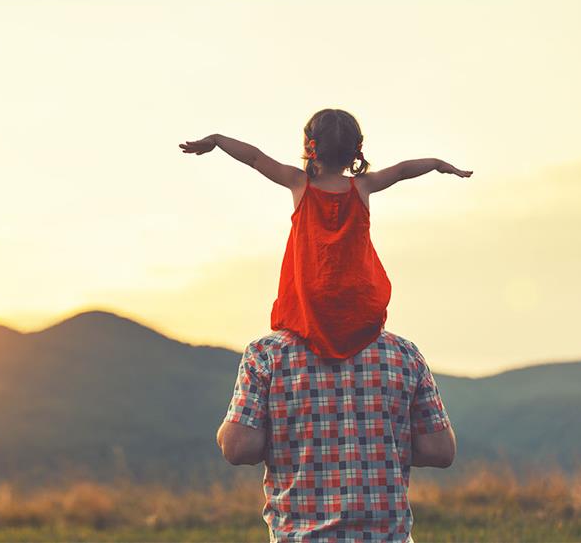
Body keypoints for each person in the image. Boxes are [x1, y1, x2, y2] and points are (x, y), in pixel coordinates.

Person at [179, 108, 473, 360]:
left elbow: (255, 158)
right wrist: (437, 164)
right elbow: (403, 170)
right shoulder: (362, 187)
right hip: (357, 301)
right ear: (356, 149)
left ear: (310, 146)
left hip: (310, 303)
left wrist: (217, 140)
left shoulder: (299, 183)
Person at [216, 330, 456, 542]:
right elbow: (439, 449)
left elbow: (238, 447)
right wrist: (380, 442)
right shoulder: (404, 354)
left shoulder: (266, 354)